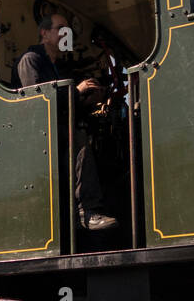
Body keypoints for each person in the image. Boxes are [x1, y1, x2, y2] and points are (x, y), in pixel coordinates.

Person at [12, 12, 116, 231]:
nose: (65, 34)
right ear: (45, 33)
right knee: (77, 137)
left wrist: (90, 100)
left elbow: (65, 104)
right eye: (61, 29)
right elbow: (38, 102)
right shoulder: (31, 59)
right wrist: (77, 91)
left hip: (56, 126)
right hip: (35, 134)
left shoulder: (57, 67)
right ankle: (87, 211)